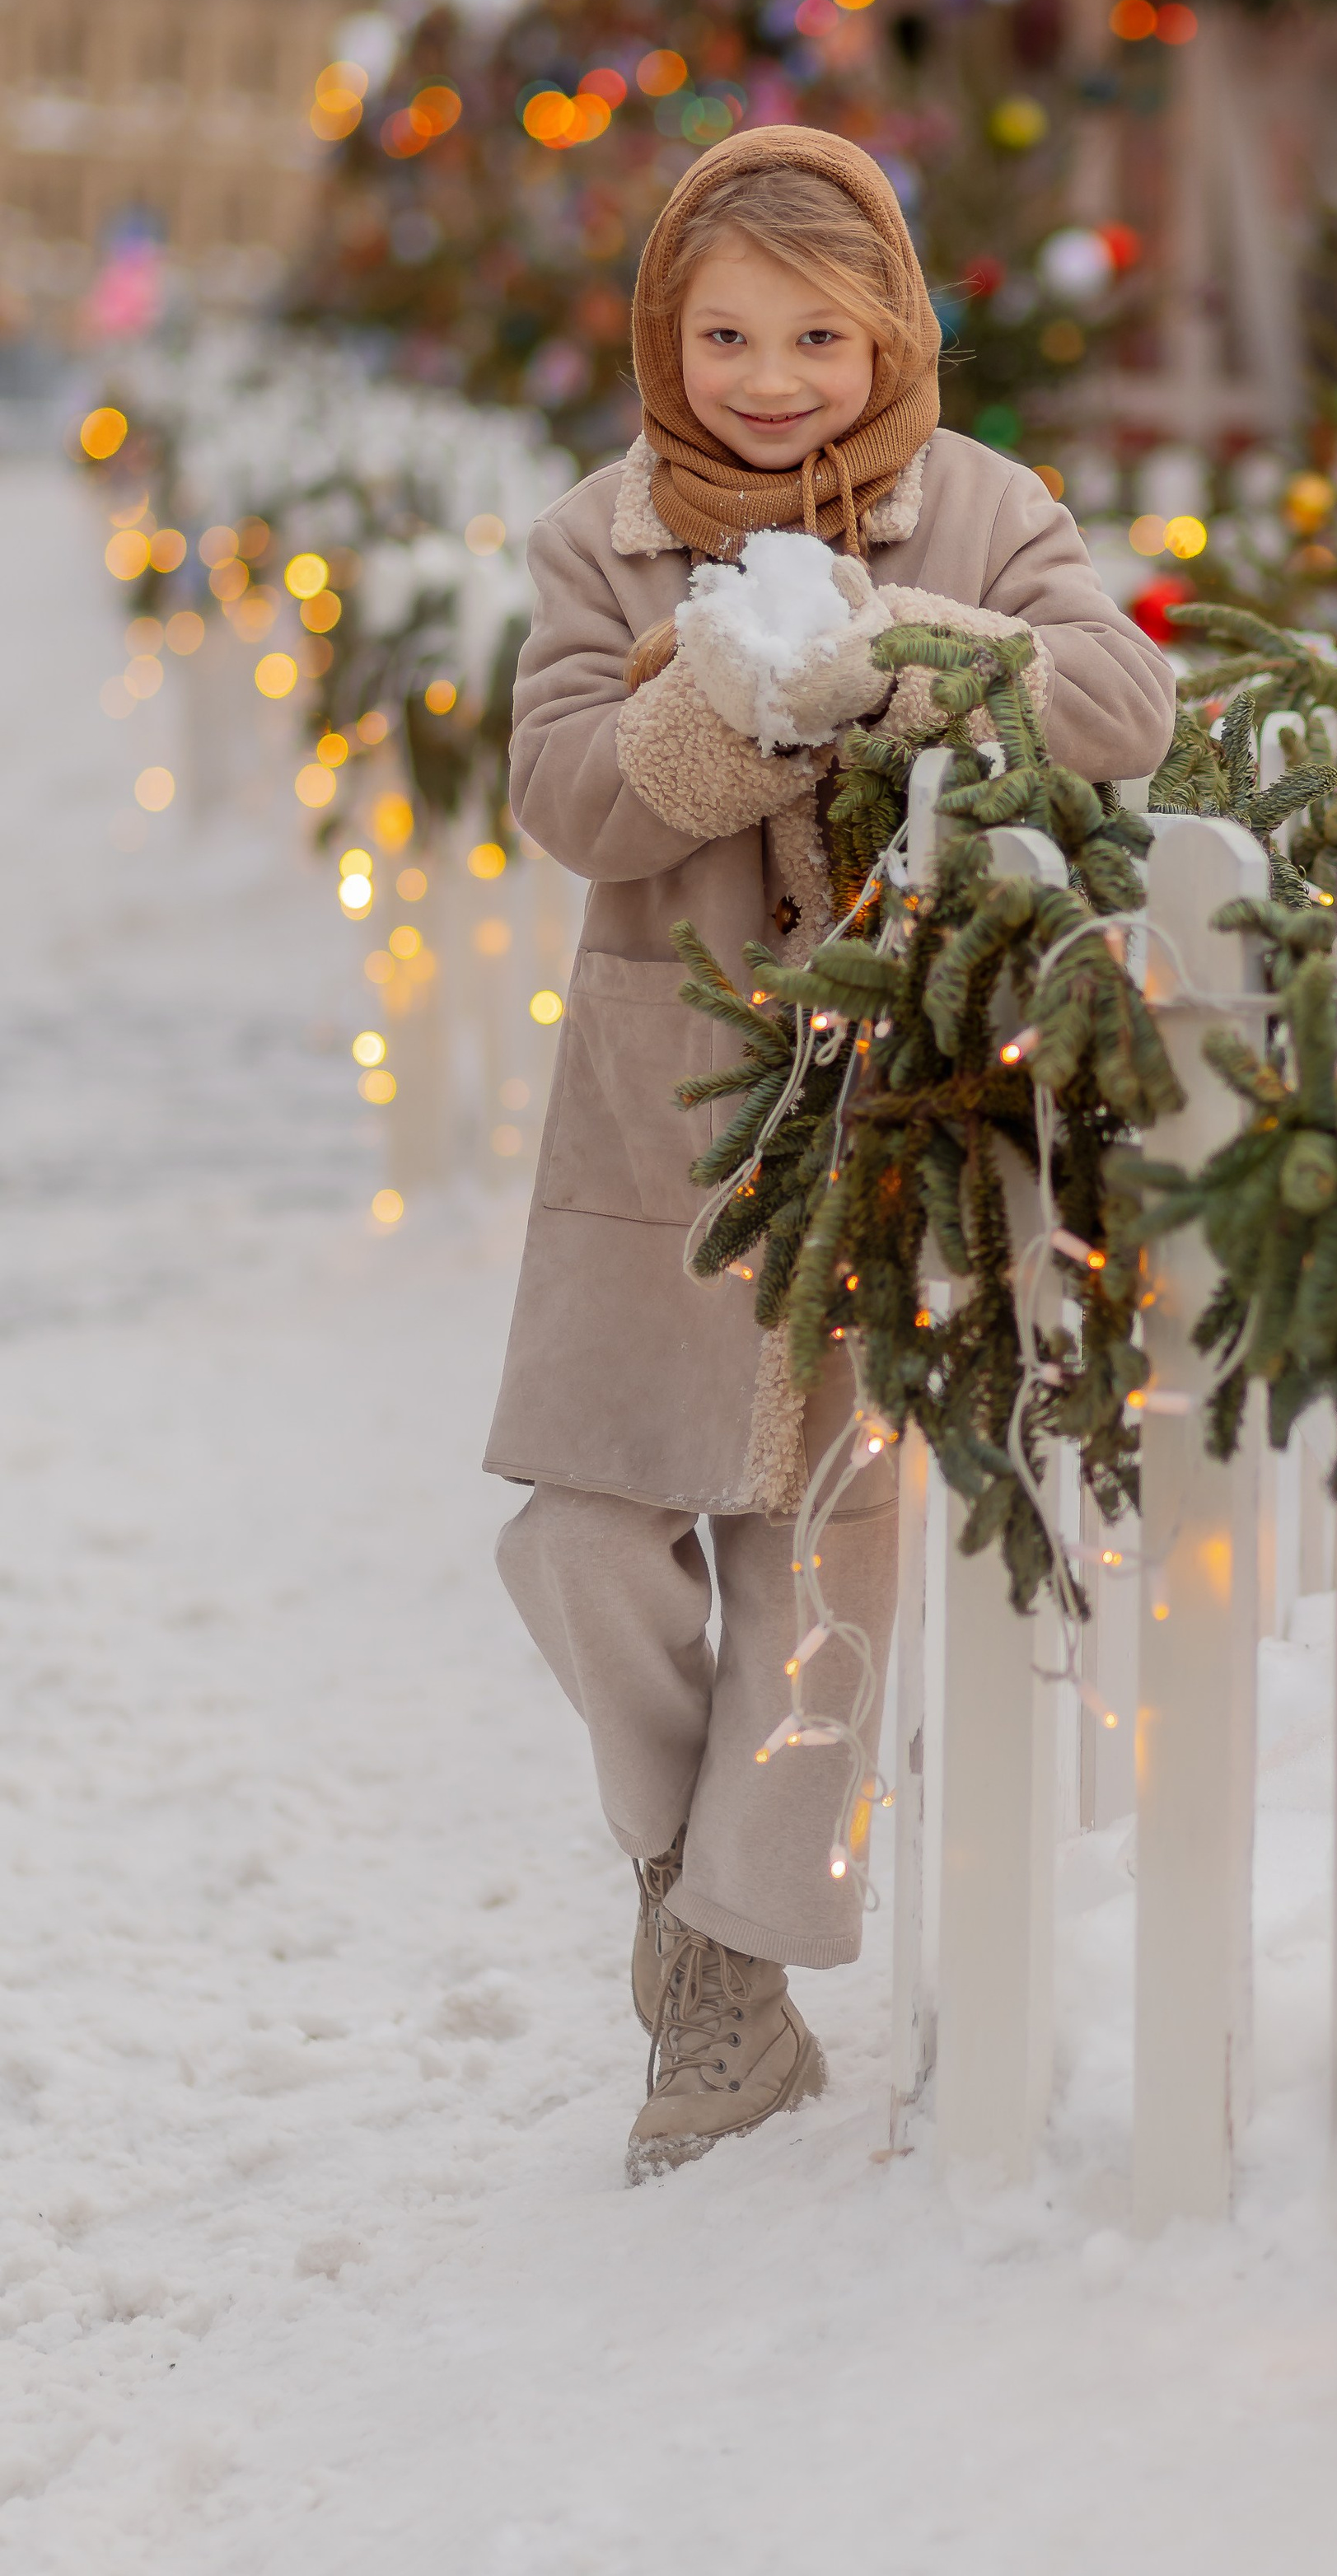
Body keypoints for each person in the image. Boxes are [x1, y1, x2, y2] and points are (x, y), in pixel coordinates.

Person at [485, 126, 1174, 2181]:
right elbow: (563, 793)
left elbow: (1122, 699)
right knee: (579, 1532)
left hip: (892, 1116)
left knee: (816, 1558)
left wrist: (894, 652)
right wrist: (716, 704)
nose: (767, 374)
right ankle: (682, 1865)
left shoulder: (979, 504)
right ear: (658, 333)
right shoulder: (598, 538)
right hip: (672, 1119)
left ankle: (732, 1996)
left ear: (889, 328)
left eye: (815, 330)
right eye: (721, 331)